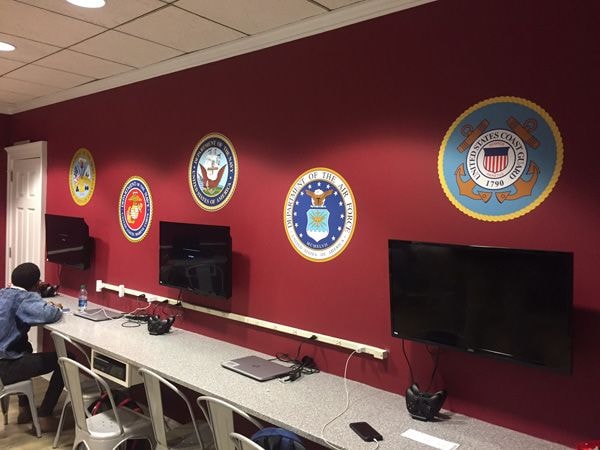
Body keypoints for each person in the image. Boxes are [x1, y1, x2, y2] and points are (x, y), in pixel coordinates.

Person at [0, 262, 64, 432]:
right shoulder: (24, 298)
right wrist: (54, 306)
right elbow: (50, 314)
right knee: (65, 360)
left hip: (3, 361)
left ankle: (25, 410)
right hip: (6, 367)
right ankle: (45, 416)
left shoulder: (3, 293)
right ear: (36, 284)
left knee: (25, 347)